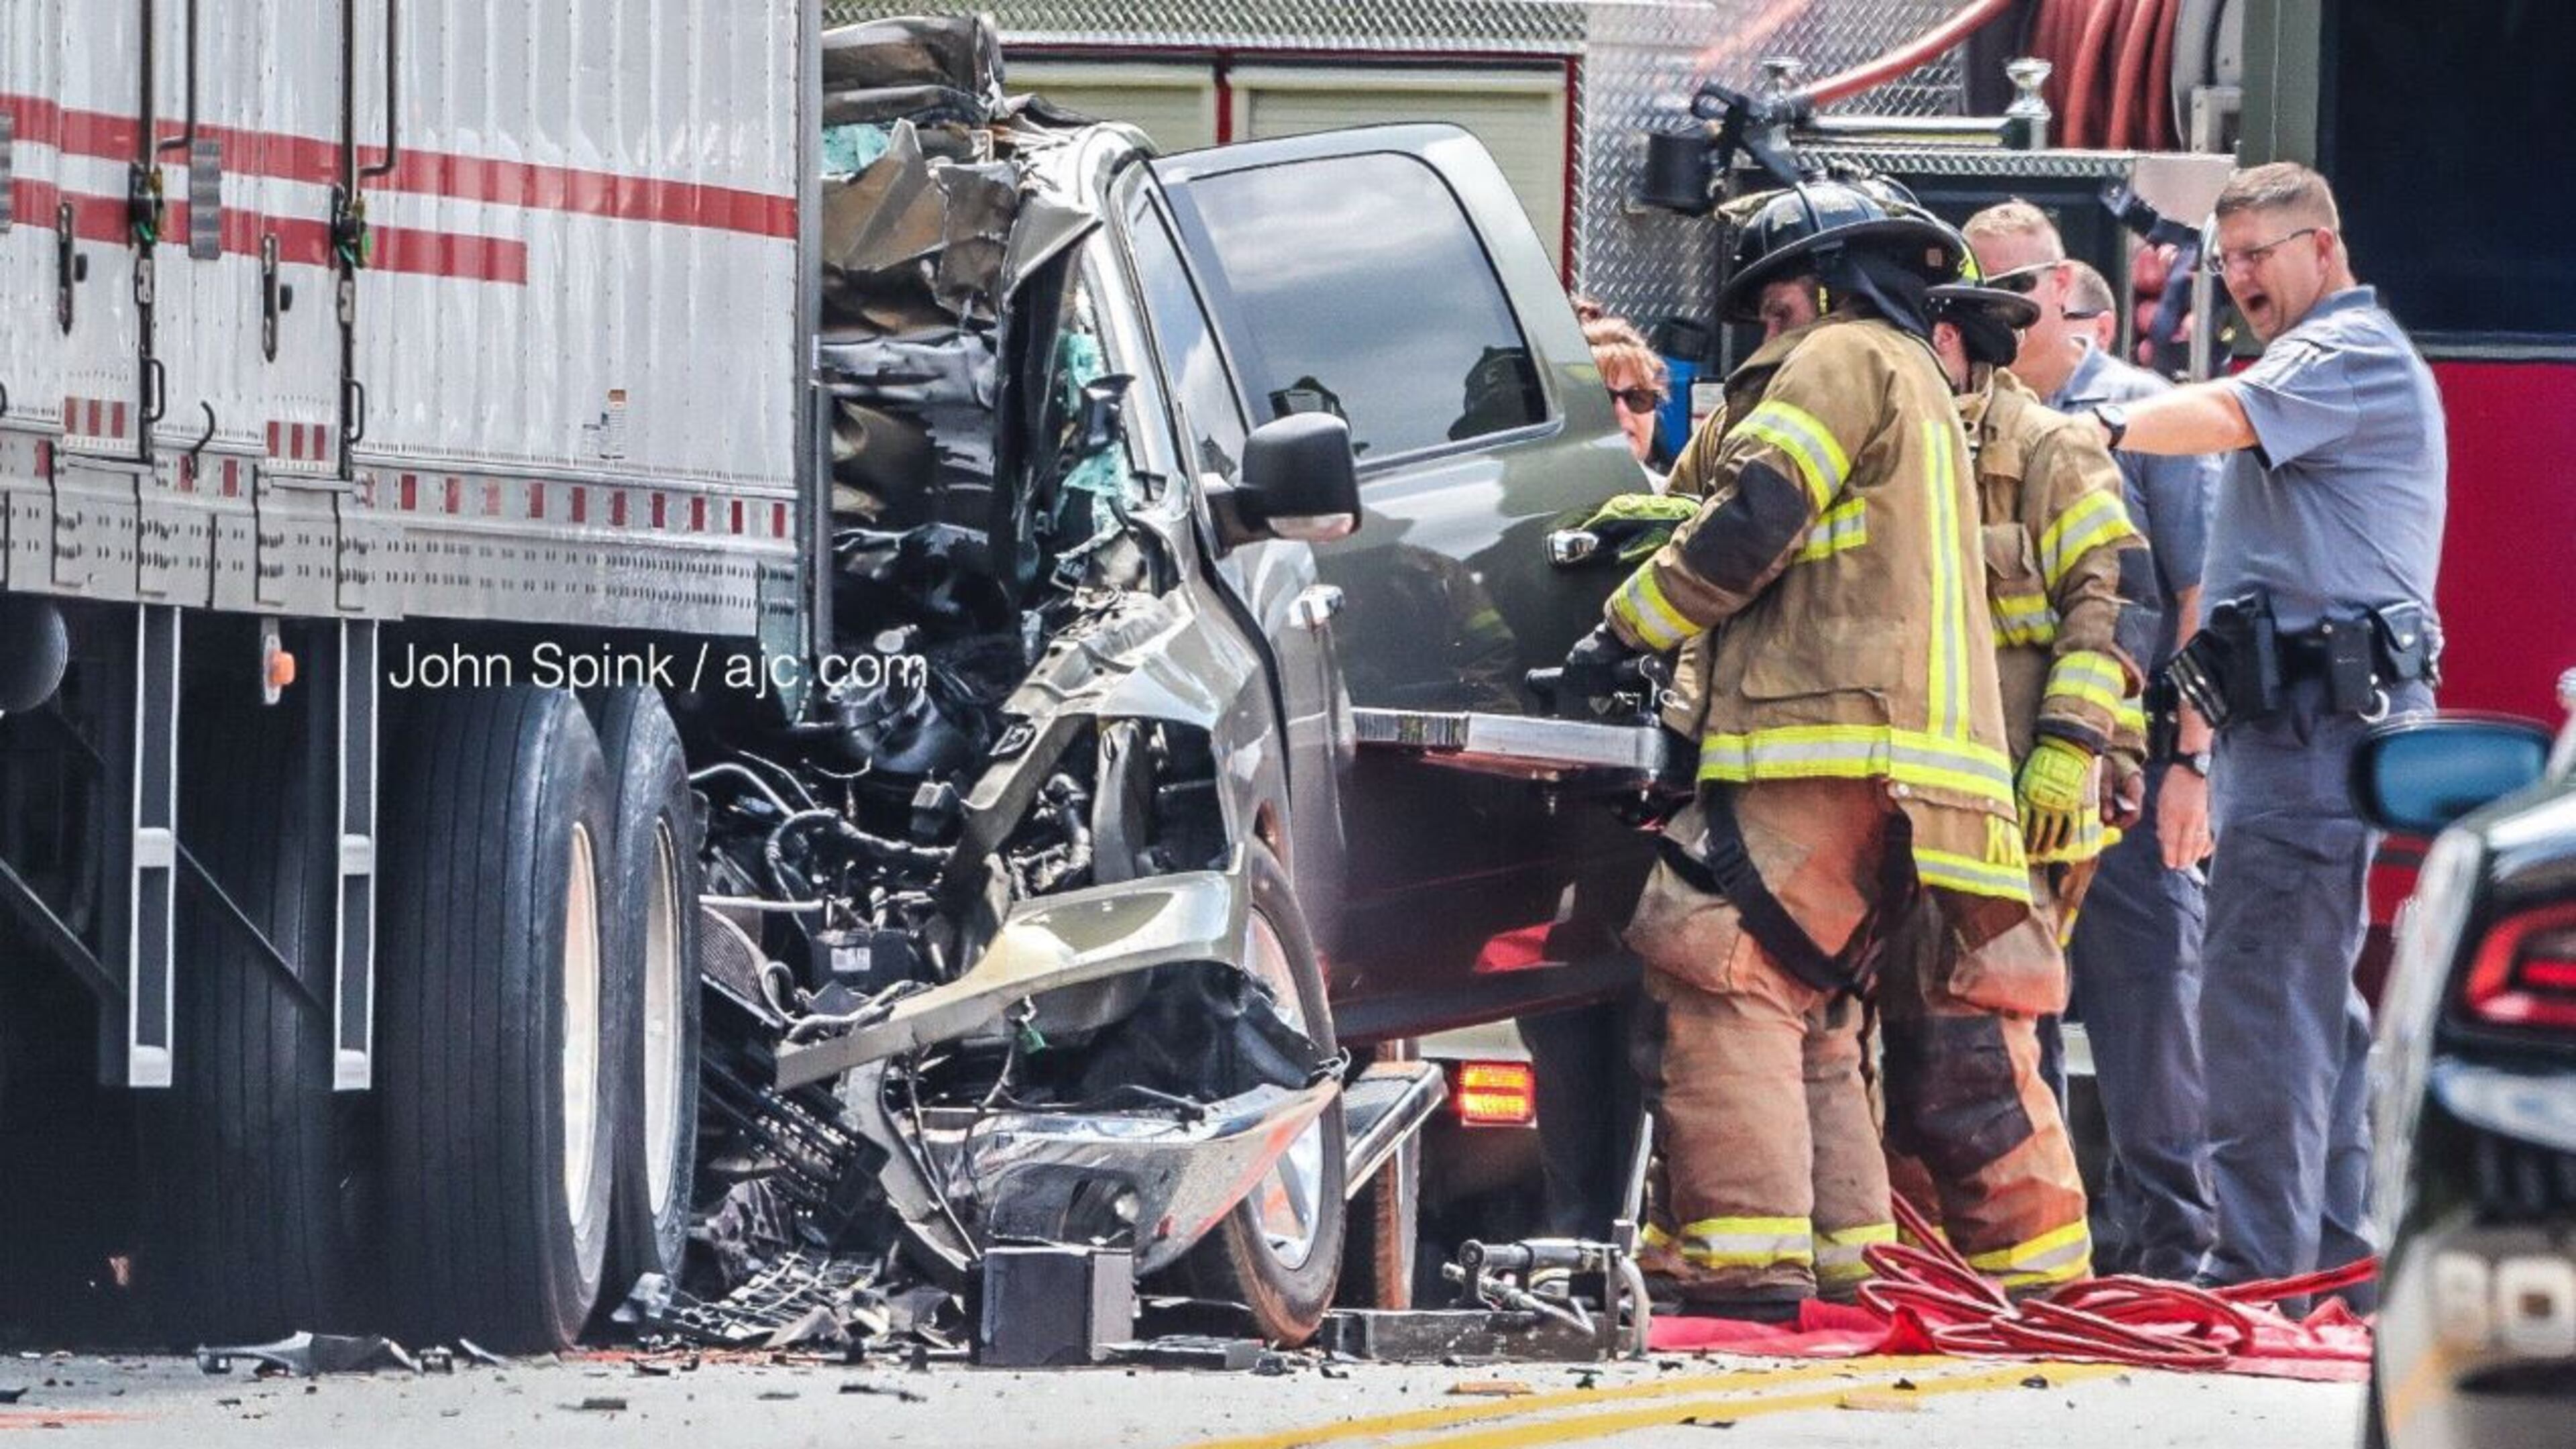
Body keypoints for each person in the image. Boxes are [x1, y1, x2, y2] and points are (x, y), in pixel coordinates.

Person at [1558, 180, 2032, 1316]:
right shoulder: (1919, 377)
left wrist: (1625, 626)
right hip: (1916, 773)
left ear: (1823, 287)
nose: (1768, 339)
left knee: (1712, 962)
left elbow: (1758, 517)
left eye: (1773, 311)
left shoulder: (1836, 357)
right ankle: (1844, 1263)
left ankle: (1740, 1268)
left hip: (1820, 742)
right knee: (1812, 1005)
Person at [2078, 162, 2447, 1301]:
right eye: (2224, 258)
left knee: (2254, 1014)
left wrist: (2082, 428)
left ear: (2322, 248)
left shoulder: (2348, 353)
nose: (2237, 278)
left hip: (2311, 740)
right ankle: (2330, 1270)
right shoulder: (2313, 359)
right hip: (2288, 735)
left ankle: (2255, 1279)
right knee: (2310, 1017)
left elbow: (2218, 416)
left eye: (2258, 255)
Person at [1870, 268, 2143, 1294]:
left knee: (1971, 1050)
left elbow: (2103, 620)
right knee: (1899, 1051)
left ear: (1953, 340)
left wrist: (2072, 751)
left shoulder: (2048, 447)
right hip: (1917, 801)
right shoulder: (1904, 449)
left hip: (2025, 802)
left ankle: (2044, 1290)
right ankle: (1936, 1282)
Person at [1968, 204, 2223, 1282]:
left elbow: (2204, 595)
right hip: (2011, 775)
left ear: (2058, 284)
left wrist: (2192, 765)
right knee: (2011, 1015)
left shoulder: (2148, 416)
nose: (1979, 316)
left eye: (1998, 292)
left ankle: (2180, 1250)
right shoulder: (1974, 416)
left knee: (2151, 1018)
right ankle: (2065, 1247)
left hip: (2131, 772)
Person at [1509, 301, 1670, 1240]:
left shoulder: (1692, 511)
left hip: (1654, 821)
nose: (1625, 412)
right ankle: (1574, 1230)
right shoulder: (1529, 525)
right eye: (1602, 395)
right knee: (1564, 1035)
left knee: (1655, 1040)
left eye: (1641, 395)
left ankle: (1635, 1234)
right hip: (1552, 816)